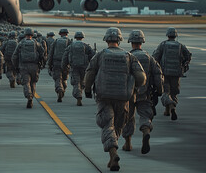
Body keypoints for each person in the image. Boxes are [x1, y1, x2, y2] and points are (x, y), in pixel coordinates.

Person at [84, 27, 146, 171]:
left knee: (107, 125)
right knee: (117, 127)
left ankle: (113, 153)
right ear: (120, 40)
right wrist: (133, 86)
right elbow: (141, 78)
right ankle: (114, 152)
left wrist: (87, 90)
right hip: (123, 98)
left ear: (106, 40)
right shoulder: (129, 56)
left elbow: (89, 74)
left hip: (104, 97)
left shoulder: (100, 55)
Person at [122, 30, 163, 154]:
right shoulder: (149, 58)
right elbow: (158, 74)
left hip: (129, 93)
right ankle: (145, 131)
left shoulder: (127, 56)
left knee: (128, 118)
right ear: (142, 42)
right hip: (145, 93)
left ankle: (128, 142)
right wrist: (159, 90)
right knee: (145, 115)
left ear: (130, 42)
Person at [152, 27, 191, 120]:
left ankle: (170, 105)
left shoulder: (163, 45)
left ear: (167, 35)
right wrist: (184, 65)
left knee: (166, 92)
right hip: (176, 73)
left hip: (164, 73)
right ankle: (169, 109)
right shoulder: (180, 45)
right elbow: (188, 56)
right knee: (174, 92)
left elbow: (155, 57)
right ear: (175, 36)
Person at [12, 27, 45, 108]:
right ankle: (31, 98)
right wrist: (41, 63)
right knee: (33, 82)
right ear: (32, 35)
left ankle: (29, 96)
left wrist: (16, 66)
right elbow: (42, 53)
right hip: (34, 66)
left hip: (24, 66)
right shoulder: (36, 43)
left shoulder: (20, 43)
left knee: (26, 82)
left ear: (25, 34)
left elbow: (14, 56)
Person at [61, 31, 95, 106]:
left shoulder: (71, 46)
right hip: (84, 67)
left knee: (76, 82)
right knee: (82, 82)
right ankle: (80, 93)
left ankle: (78, 95)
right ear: (82, 37)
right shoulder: (86, 46)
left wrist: (63, 66)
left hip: (74, 67)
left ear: (75, 37)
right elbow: (92, 56)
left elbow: (65, 57)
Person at [47, 28, 72, 102]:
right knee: (64, 79)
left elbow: (51, 54)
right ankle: (63, 89)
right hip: (66, 64)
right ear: (67, 34)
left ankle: (59, 89)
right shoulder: (69, 42)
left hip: (56, 62)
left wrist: (49, 64)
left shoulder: (56, 41)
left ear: (60, 34)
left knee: (58, 79)